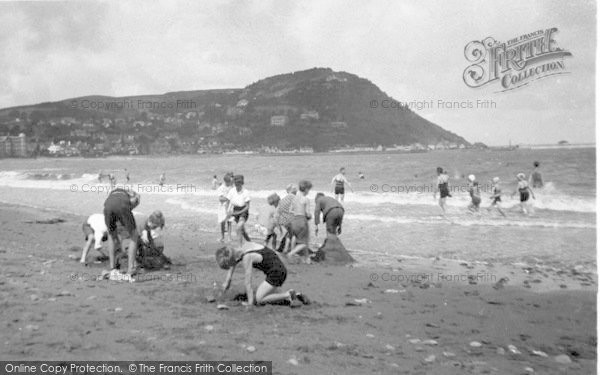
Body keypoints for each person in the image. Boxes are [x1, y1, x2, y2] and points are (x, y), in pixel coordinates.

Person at [216, 241, 309, 307]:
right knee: (262, 295)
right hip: (279, 266)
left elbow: (248, 283)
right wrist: (228, 280)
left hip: (277, 273)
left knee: (259, 299)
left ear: (232, 260)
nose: (231, 267)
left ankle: (288, 295)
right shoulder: (245, 246)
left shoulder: (247, 257)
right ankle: (295, 296)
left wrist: (250, 303)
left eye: (229, 265)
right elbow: (234, 261)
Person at [103, 188, 141, 276]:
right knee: (134, 235)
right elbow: (131, 203)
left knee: (111, 235)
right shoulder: (133, 196)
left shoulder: (114, 193)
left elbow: (115, 208)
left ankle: (112, 267)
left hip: (107, 207)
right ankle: (131, 268)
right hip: (122, 206)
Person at [288, 180, 313, 263]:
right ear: (306, 189)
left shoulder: (293, 198)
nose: (308, 192)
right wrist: (310, 216)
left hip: (293, 221)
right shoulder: (305, 199)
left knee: (299, 238)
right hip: (302, 221)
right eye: (309, 190)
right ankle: (291, 253)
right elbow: (308, 213)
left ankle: (307, 259)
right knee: (304, 242)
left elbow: (290, 210)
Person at [226, 175, 251, 246]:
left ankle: (240, 247)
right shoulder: (232, 191)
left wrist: (239, 212)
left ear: (241, 183)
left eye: (238, 183)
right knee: (242, 230)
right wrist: (227, 211)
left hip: (243, 211)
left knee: (238, 227)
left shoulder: (246, 192)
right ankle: (250, 242)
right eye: (235, 183)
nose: (237, 185)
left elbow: (247, 207)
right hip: (235, 210)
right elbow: (228, 201)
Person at [274, 184, 298, 253]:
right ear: (291, 190)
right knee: (294, 235)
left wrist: (278, 223)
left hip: (284, 221)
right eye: (294, 188)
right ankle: (292, 251)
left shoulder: (282, 200)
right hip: (292, 219)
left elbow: (278, 212)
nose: (296, 190)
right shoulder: (295, 197)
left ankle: (285, 248)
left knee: (289, 234)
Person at [217, 174, 233, 242]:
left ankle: (229, 237)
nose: (230, 182)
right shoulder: (221, 188)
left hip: (230, 206)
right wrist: (228, 198)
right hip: (222, 207)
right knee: (222, 222)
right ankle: (222, 236)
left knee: (229, 222)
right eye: (229, 181)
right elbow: (220, 198)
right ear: (226, 181)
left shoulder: (231, 187)